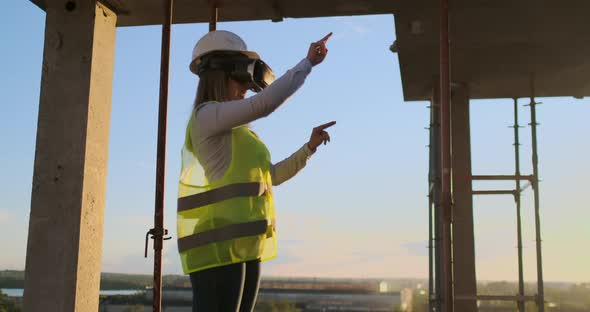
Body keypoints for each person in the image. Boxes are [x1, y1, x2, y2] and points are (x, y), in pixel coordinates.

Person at [177, 30, 335, 312]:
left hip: (245, 246)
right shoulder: (206, 116)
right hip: (218, 247)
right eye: (241, 78)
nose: (247, 87)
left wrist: (308, 149)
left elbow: (270, 177)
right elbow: (263, 104)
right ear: (220, 74)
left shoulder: (244, 135)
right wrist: (306, 63)